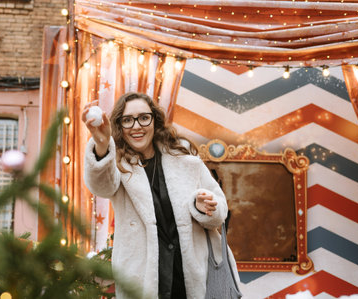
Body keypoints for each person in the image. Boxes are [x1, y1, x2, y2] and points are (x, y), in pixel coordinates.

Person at [82, 92, 240, 299]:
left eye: (143, 118)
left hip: (194, 277)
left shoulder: (184, 158)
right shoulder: (118, 166)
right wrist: (102, 145)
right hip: (144, 279)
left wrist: (203, 206)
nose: (136, 126)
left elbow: (220, 211)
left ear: (154, 121)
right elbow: (101, 187)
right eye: (128, 120)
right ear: (120, 126)